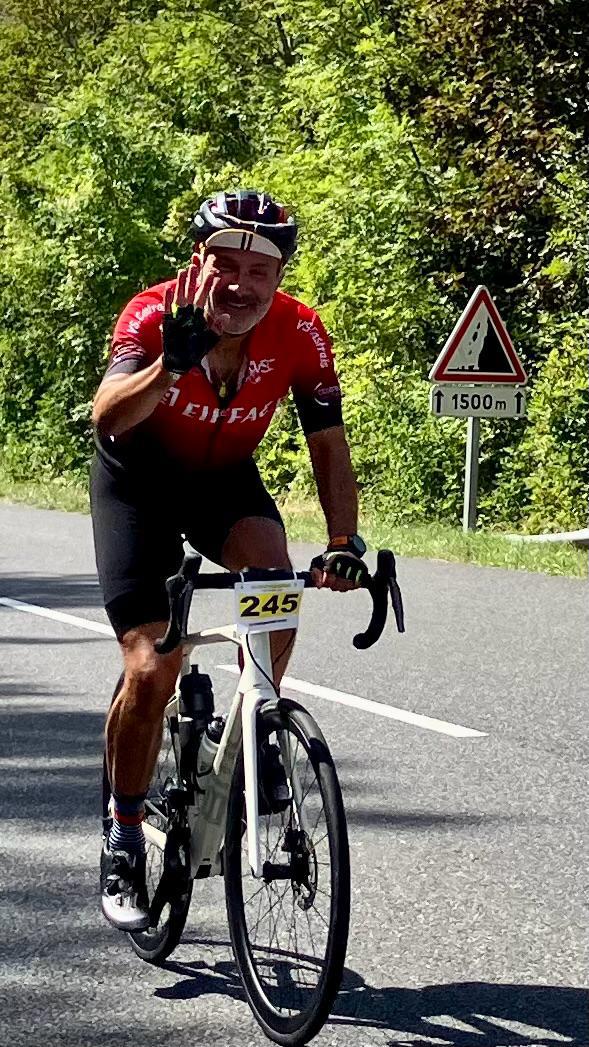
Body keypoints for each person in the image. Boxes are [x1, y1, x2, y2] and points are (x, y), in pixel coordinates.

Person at [90, 189, 368, 931]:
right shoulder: (153, 314)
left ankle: (260, 721)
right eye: (227, 266)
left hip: (222, 482)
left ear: (279, 278)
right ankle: (123, 836)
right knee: (152, 666)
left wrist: (342, 542)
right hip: (137, 484)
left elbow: (328, 445)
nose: (241, 285)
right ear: (199, 261)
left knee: (273, 570)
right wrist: (168, 367)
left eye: (259, 272)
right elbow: (106, 417)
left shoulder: (300, 332)